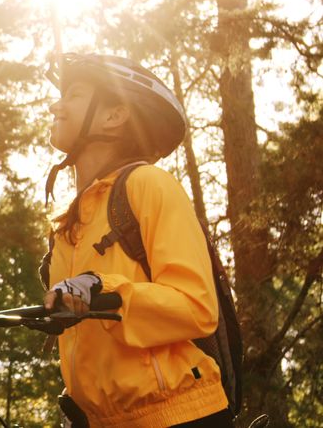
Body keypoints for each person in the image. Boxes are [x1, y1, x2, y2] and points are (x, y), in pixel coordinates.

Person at [40, 53, 232, 427]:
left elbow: (196, 306)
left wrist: (101, 288)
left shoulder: (147, 185)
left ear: (114, 116)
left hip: (180, 415)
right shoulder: (66, 226)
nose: (56, 105)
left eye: (74, 95)